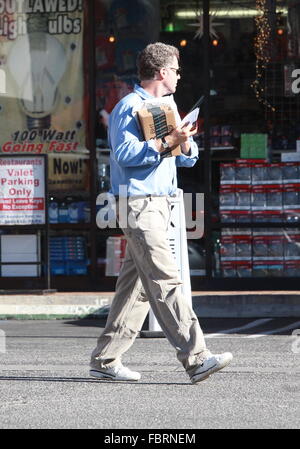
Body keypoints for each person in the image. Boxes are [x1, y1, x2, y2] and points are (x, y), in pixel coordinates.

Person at [90, 42, 233, 384]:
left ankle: (105, 359)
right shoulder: (129, 106)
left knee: (136, 288)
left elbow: (187, 158)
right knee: (165, 280)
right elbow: (124, 154)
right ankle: (196, 357)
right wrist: (165, 141)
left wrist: (183, 140)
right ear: (162, 72)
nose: (179, 76)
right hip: (139, 203)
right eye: (177, 70)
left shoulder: (166, 105)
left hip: (159, 203)